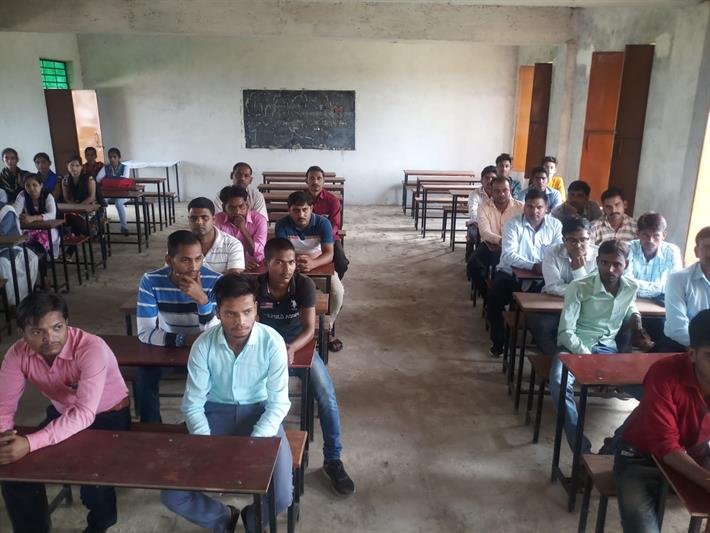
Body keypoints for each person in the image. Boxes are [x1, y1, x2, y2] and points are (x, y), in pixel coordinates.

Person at [161, 274, 292, 533]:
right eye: (231, 314)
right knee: (173, 495)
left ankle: (253, 520)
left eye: (247, 311)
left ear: (256, 309)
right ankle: (222, 518)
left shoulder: (272, 342)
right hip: (213, 415)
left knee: (282, 496)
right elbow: (193, 405)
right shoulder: (203, 345)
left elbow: (278, 403)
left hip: (260, 414)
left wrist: (254, 445)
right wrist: (209, 448)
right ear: (218, 312)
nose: (240, 321)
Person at [0, 291, 130, 533]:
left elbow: (85, 414)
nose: (49, 338)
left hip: (106, 415)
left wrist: (29, 443)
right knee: (14, 471)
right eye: (37, 332)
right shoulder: (17, 354)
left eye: (57, 327)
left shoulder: (91, 348)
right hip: (63, 412)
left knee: (92, 478)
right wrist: (4, 439)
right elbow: (3, 406)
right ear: (22, 333)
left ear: (67, 323)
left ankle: (100, 524)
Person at [256, 238, 355, 495]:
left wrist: (290, 348)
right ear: (266, 264)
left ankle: (332, 459)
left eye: (290, 262)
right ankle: (257, 450)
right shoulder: (255, 286)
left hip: (298, 346)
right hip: (265, 350)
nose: (286, 268)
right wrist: (273, 351)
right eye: (279, 263)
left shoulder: (303, 284)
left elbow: (310, 329)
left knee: (327, 396)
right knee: (252, 397)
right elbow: (252, 327)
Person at [550, 240, 652, 454]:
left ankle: (615, 445)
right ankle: (581, 449)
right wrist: (588, 358)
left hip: (607, 349)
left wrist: (635, 317)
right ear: (597, 262)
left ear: (626, 265)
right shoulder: (580, 286)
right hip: (575, 347)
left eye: (617, 264)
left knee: (653, 394)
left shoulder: (631, 287)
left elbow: (628, 306)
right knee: (559, 382)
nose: (610, 269)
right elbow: (565, 332)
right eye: (604, 263)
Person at [613, 309, 710, 533]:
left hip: (694, 454)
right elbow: (666, 447)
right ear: (692, 354)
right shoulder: (664, 373)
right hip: (639, 459)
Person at [135, 230, 221, 422]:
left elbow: (215, 334)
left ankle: (206, 426)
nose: (194, 267)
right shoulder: (151, 281)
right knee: (144, 374)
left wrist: (202, 299)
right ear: (169, 260)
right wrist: (183, 340)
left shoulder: (215, 281)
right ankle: (151, 428)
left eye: (198, 259)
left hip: (206, 347)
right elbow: (145, 332)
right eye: (185, 260)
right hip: (169, 346)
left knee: (220, 374)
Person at [487, 188, 562, 357]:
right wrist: (533, 266)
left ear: (547, 208)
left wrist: (543, 268)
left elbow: (558, 253)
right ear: (524, 207)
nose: (534, 211)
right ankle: (498, 341)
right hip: (509, 274)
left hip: (543, 277)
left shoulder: (555, 225)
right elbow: (508, 255)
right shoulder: (513, 224)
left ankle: (539, 340)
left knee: (551, 306)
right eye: (530, 206)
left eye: (539, 207)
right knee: (493, 298)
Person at [275, 191, 345, 353]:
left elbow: (329, 253)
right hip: (291, 267)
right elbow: (282, 252)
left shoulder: (323, 223)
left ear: (312, 208)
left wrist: (313, 263)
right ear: (289, 210)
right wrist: (294, 263)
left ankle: (327, 329)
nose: (301, 214)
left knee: (337, 292)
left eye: (305, 209)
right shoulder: (282, 225)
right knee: (282, 295)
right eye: (296, 210)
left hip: (318, 264)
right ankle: (292, 329)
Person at [527, 218, 598, 357]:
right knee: (540, 326)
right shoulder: (552, 252)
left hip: (586, 311)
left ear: (590, 238)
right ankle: (560, 360)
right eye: (573, 241)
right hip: (555, 307)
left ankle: (578, 359)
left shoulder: (599, 256)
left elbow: (592, 291)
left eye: (583, 240)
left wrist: (578, 271)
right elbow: (553, 286)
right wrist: (580, 291)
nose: (578, 245)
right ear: (564, 240)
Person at [467, 176, 525, 299]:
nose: (501, 194)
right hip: (491, 246)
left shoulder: (521, 208)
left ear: (510, 190)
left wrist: (509, 243)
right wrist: (501, 240)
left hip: (515, 248)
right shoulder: (483, 207)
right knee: (473, 264)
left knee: (517, 274)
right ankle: (488, 296)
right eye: (497, 191)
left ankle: (510, 299)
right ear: (491, 192)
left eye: (505, 190)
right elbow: (485, 232)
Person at [662, 226, 710, 352]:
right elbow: (677, 328)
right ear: (696, 251)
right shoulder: (678, 279)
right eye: (706, 247)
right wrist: (704, 348)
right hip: (682, 345)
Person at [306, 165, 350, 279]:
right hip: (305, 237)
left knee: (342, 264)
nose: (315, 182)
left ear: (324, 181)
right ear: (306, 181)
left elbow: (335, 225)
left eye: (319, 178)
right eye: (312, 178)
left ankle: (333, 284)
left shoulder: (332, 201)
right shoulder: (300, 199)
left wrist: (325, 237)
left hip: (329, 237)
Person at [628, 213, 682, 301]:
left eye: (656, 236)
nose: (650, 240)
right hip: (630, 300)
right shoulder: (628, 248)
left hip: (659, 303)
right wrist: (662, 288)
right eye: (645, 235)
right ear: (638, 233)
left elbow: (676, 286)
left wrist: (635, 286)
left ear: (664, 235)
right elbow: (626, 283)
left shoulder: (672, 251)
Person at [187, 197, 245, 275]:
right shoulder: (180, 244)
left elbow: (234, 279)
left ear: (214, 219)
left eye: (204, 218)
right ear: (188, 219)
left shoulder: (233, 244)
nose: (199, 222)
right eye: (193, 218)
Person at [214, 185, 266, 270]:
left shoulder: (260, 220)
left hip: (254, 266)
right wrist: (238, 262)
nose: (237, 211)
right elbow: (216, 252)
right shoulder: (216, 221)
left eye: (241, 206)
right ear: (224, 208)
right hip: (227, 266)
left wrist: (242, 229)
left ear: (247, 205)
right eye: (232, 208)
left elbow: (256, 253)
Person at [13, 173, 60, 256]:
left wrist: (33, 218)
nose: (31, 188)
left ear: (41, 185)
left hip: (50, 229)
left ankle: (39, 258)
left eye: (34, 185)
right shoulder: (22, 195)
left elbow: (52, 215)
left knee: (41, 238)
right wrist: (22, 217)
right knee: (25, 239)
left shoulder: (48, 196)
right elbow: (15, 213)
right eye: (27, 186)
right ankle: (33, 258)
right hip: (31, 228)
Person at [62, 154, 102, 237]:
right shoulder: (65, 179)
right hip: (74, 207)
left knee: (75, 220)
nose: (74, 168)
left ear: (81, 167)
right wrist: (74, 207)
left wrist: (79, 207)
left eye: (77, 165)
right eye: (71, 165)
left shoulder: (89, 178)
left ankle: (90, 231)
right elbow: (66, 198)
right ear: (67, 166)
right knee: (67, 218)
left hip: (91, 207)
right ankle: (80, 234)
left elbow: (92, 197)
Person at [96, 147, 130, 236]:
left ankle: (124, 227)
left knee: (118, 203)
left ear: (119, 157)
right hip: (109, 194)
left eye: (114, 157)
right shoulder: (106, 168)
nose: (112, 159)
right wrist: (115, 180)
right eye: (110, 157)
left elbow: (124, 179)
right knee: (101, 201)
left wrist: (107, 180)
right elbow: (98, 178)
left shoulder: (125, 167)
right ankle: (99, 226)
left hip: (123, 194)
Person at [465, 165, 495, 261]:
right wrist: (483, 224)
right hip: (476, 224)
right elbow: (473, 212)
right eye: (486, 178)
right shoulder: (474, 194)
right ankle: (474, 259)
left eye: (493, 178)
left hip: (494, 224)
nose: (489, 181)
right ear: (481, 180)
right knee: (477, 233)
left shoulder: (499, 194)